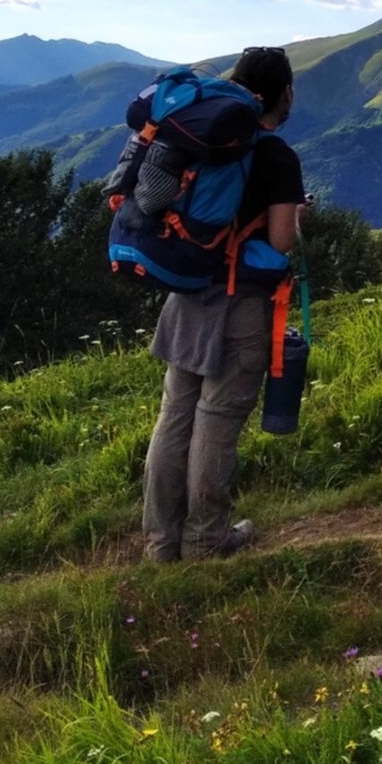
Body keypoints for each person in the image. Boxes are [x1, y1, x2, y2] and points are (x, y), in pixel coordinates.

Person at [141, 45, 305, 562]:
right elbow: (281, 242)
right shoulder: (277, 155)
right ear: (285, 94)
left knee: (174, 418)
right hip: (241, 305)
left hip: (186, 295)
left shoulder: (199, 137)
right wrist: (301, 216)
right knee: (216, 422)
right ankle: (208, 540)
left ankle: (161, 544)